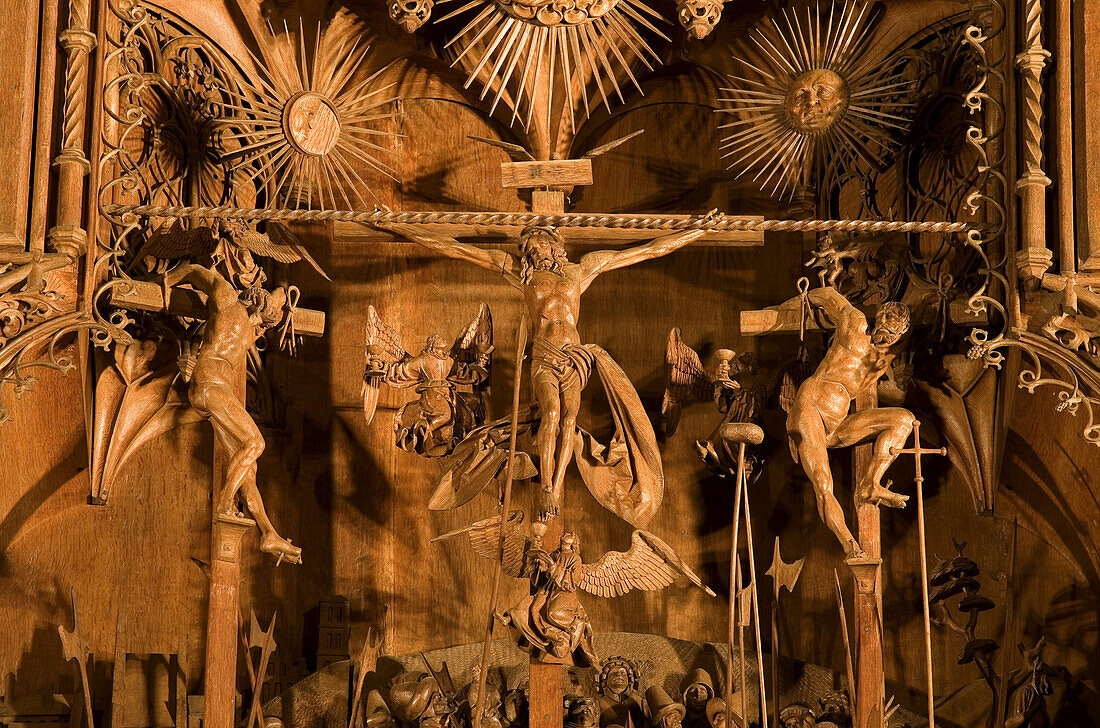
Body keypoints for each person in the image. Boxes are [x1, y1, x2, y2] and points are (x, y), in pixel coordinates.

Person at [379, 218, 719, 525]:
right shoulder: (521, 274)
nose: (533, 252)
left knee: (570, 417)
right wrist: (399, 226)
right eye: (527, 248)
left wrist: (701, 230)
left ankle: (554, 490)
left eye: (537, 244)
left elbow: (645, 251)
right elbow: (455, 249)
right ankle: (545, 487)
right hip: (543, 356)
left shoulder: (581, 270)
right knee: (553, 413)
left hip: (575, 359)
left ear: (553, 245)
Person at [163, 264, 301, 563]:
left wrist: (282, 297)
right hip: (211, 385)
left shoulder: (250, 331)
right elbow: (197, 272)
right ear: (258, 304)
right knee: (257, 444)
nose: (266, 326)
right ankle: (225, 504)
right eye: (268, 320)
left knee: (248, 471)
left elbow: (276, 300)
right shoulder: (227, 299)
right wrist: (166, 281)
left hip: (210, 391)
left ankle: (268, 533)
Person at [784, 287, 915, 559]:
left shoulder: (881, 361)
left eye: (892, 333)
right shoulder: (854, 323)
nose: (884, 332)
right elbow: (824, 295)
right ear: (879, 315)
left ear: (899, 335)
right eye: (884, 321)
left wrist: (904, 379)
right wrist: (786, 305)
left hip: (839, 423)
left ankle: (870, 483)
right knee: (823, 484)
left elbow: (878, 389)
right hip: (811, 409)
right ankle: (850, 546)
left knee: (904, 419)